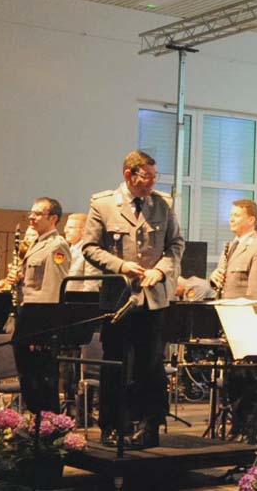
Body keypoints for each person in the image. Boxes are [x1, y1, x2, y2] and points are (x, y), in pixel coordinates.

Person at [83, 151, 185, 449]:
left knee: (150, 364)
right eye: (146, 178)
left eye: (155, 177)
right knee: (115, 361)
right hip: (118, 298)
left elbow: (176, 244)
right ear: (129, 174)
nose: (151, 184)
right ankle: (113, 424)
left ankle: (149, 424)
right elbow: (89, 247)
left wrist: (161, 271)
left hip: (153, 298)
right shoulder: (102, 204)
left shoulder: (163, 204)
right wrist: (121, 266)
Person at [212, 199, 257, 442]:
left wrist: (245, 324)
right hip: (228, 323)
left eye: (237, 214)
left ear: (251, 219)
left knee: (249, 383)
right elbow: (223, 281)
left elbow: (256, 291)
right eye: (231, 214)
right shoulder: (231, 246)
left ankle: (250, 432)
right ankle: (236, 427)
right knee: (232, 382)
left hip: (246, 324)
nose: (232, 218)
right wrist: (214, 278)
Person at [12, 197, 72, 413]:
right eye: (31, 212)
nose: (31, 217)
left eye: (38, 214)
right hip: (28, 314)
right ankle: (33, 419)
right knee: (27, 373)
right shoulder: (36, 242)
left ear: (53, 218)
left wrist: (43, 330)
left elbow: (53, 289)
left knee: (41, 376)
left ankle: (47, 423)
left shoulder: (57, 245)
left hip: (40, 321)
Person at [64, 213, 98, 292]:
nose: (65, 231)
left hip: (77, 302)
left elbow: (91, 285)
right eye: (65, 227)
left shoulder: (89, 252)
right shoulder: (66, 250)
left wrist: (82, 303)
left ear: (83, 231)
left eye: (70, 228)